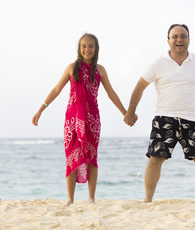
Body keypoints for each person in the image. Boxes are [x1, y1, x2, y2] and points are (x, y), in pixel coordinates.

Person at [123, 24, 195, 203]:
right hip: (164, 117)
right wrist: (131, 112)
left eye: (183, 36)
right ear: (168, 41)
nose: (179, 39)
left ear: (189, 40)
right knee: (156, 158)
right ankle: (147, 200)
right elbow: (140, 86)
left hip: (193, 119)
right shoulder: (158, 63)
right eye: (175, 36)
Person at [32, 33, 129, 206]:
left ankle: (91, 198)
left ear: (96, 48)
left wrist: (125, 112)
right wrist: (41, 109)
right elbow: (56, 89)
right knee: (71, 157)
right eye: (84, 46)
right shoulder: (71, 68)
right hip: (72, 120)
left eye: (90, 46)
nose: (87, 49)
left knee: (91, 156)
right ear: (79, 48)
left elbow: (111, 93)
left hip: (92, 119)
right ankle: (70, 199)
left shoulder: (101, 70)